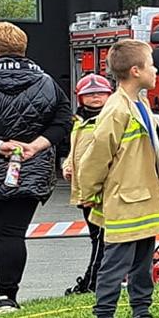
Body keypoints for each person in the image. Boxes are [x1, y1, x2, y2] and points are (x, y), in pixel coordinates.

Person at [0, 22, 72, 317]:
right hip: (29, 168)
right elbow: (63, 122)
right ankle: (8, 299)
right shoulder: (48, 83)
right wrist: (34, 146)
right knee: (13, 234)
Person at [71, 40, 159, 318]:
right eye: (151, 64)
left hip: (145, 200)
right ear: (135, 71)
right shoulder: (116, 109)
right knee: (115, 264)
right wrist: (88, 191)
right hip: (125, 202)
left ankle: (142, 314)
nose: (156, 69)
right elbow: (96, 155)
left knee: (142, 264)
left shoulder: (140, 104)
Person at [64, 73, 114, 296]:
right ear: (80, 97)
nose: (95, 96)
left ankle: (92, 283)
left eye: (100, 93)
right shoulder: (78, 122)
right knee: (97, 237)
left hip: (101, 190)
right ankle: (93, 281)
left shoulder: (110, 119)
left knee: (101, 239)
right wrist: (68, 164)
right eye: (89, 93)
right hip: (84, 191)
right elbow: (76, 151)